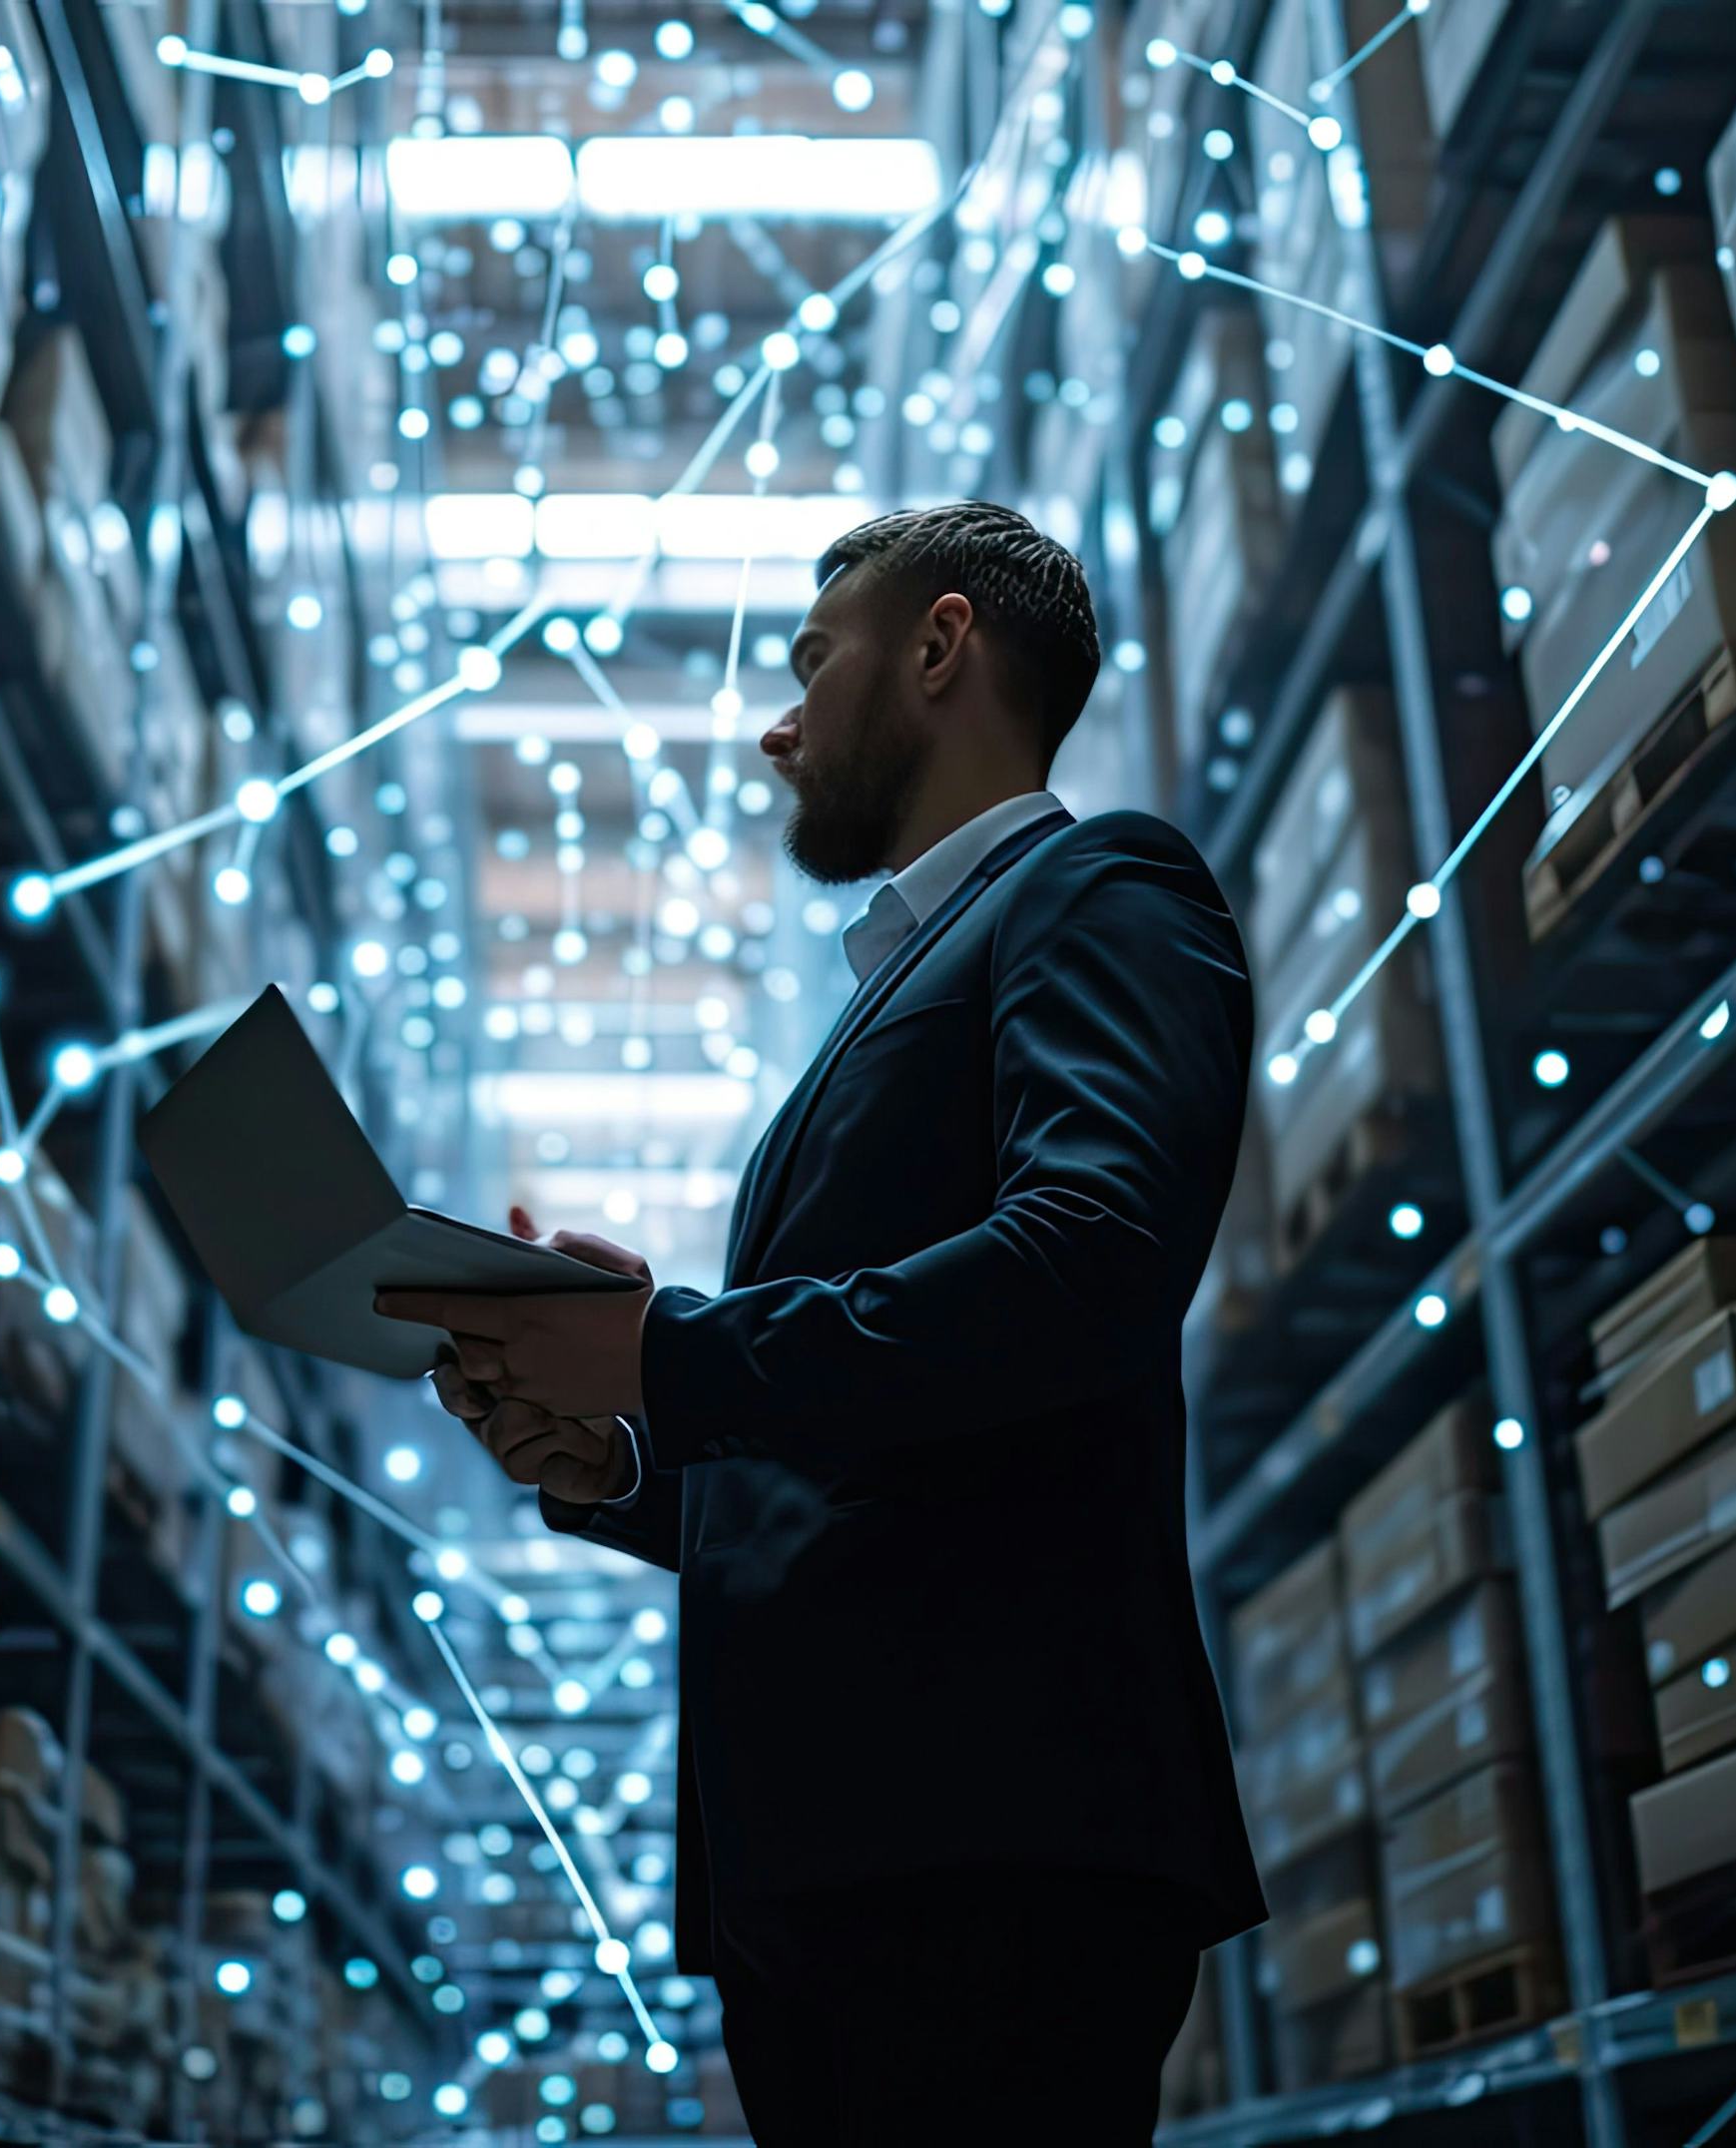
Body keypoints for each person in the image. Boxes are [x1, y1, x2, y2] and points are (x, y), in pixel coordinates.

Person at [376, 501, 1266, 2141]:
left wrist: (668, 1356)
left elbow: (1090, 1264)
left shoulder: (1105, 888)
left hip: (988, 1841)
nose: (779, 724)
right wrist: (614, 1460)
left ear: (939, 647)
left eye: (810, 664)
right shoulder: (891, 991)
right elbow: (871, 1448)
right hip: (837, 1859)